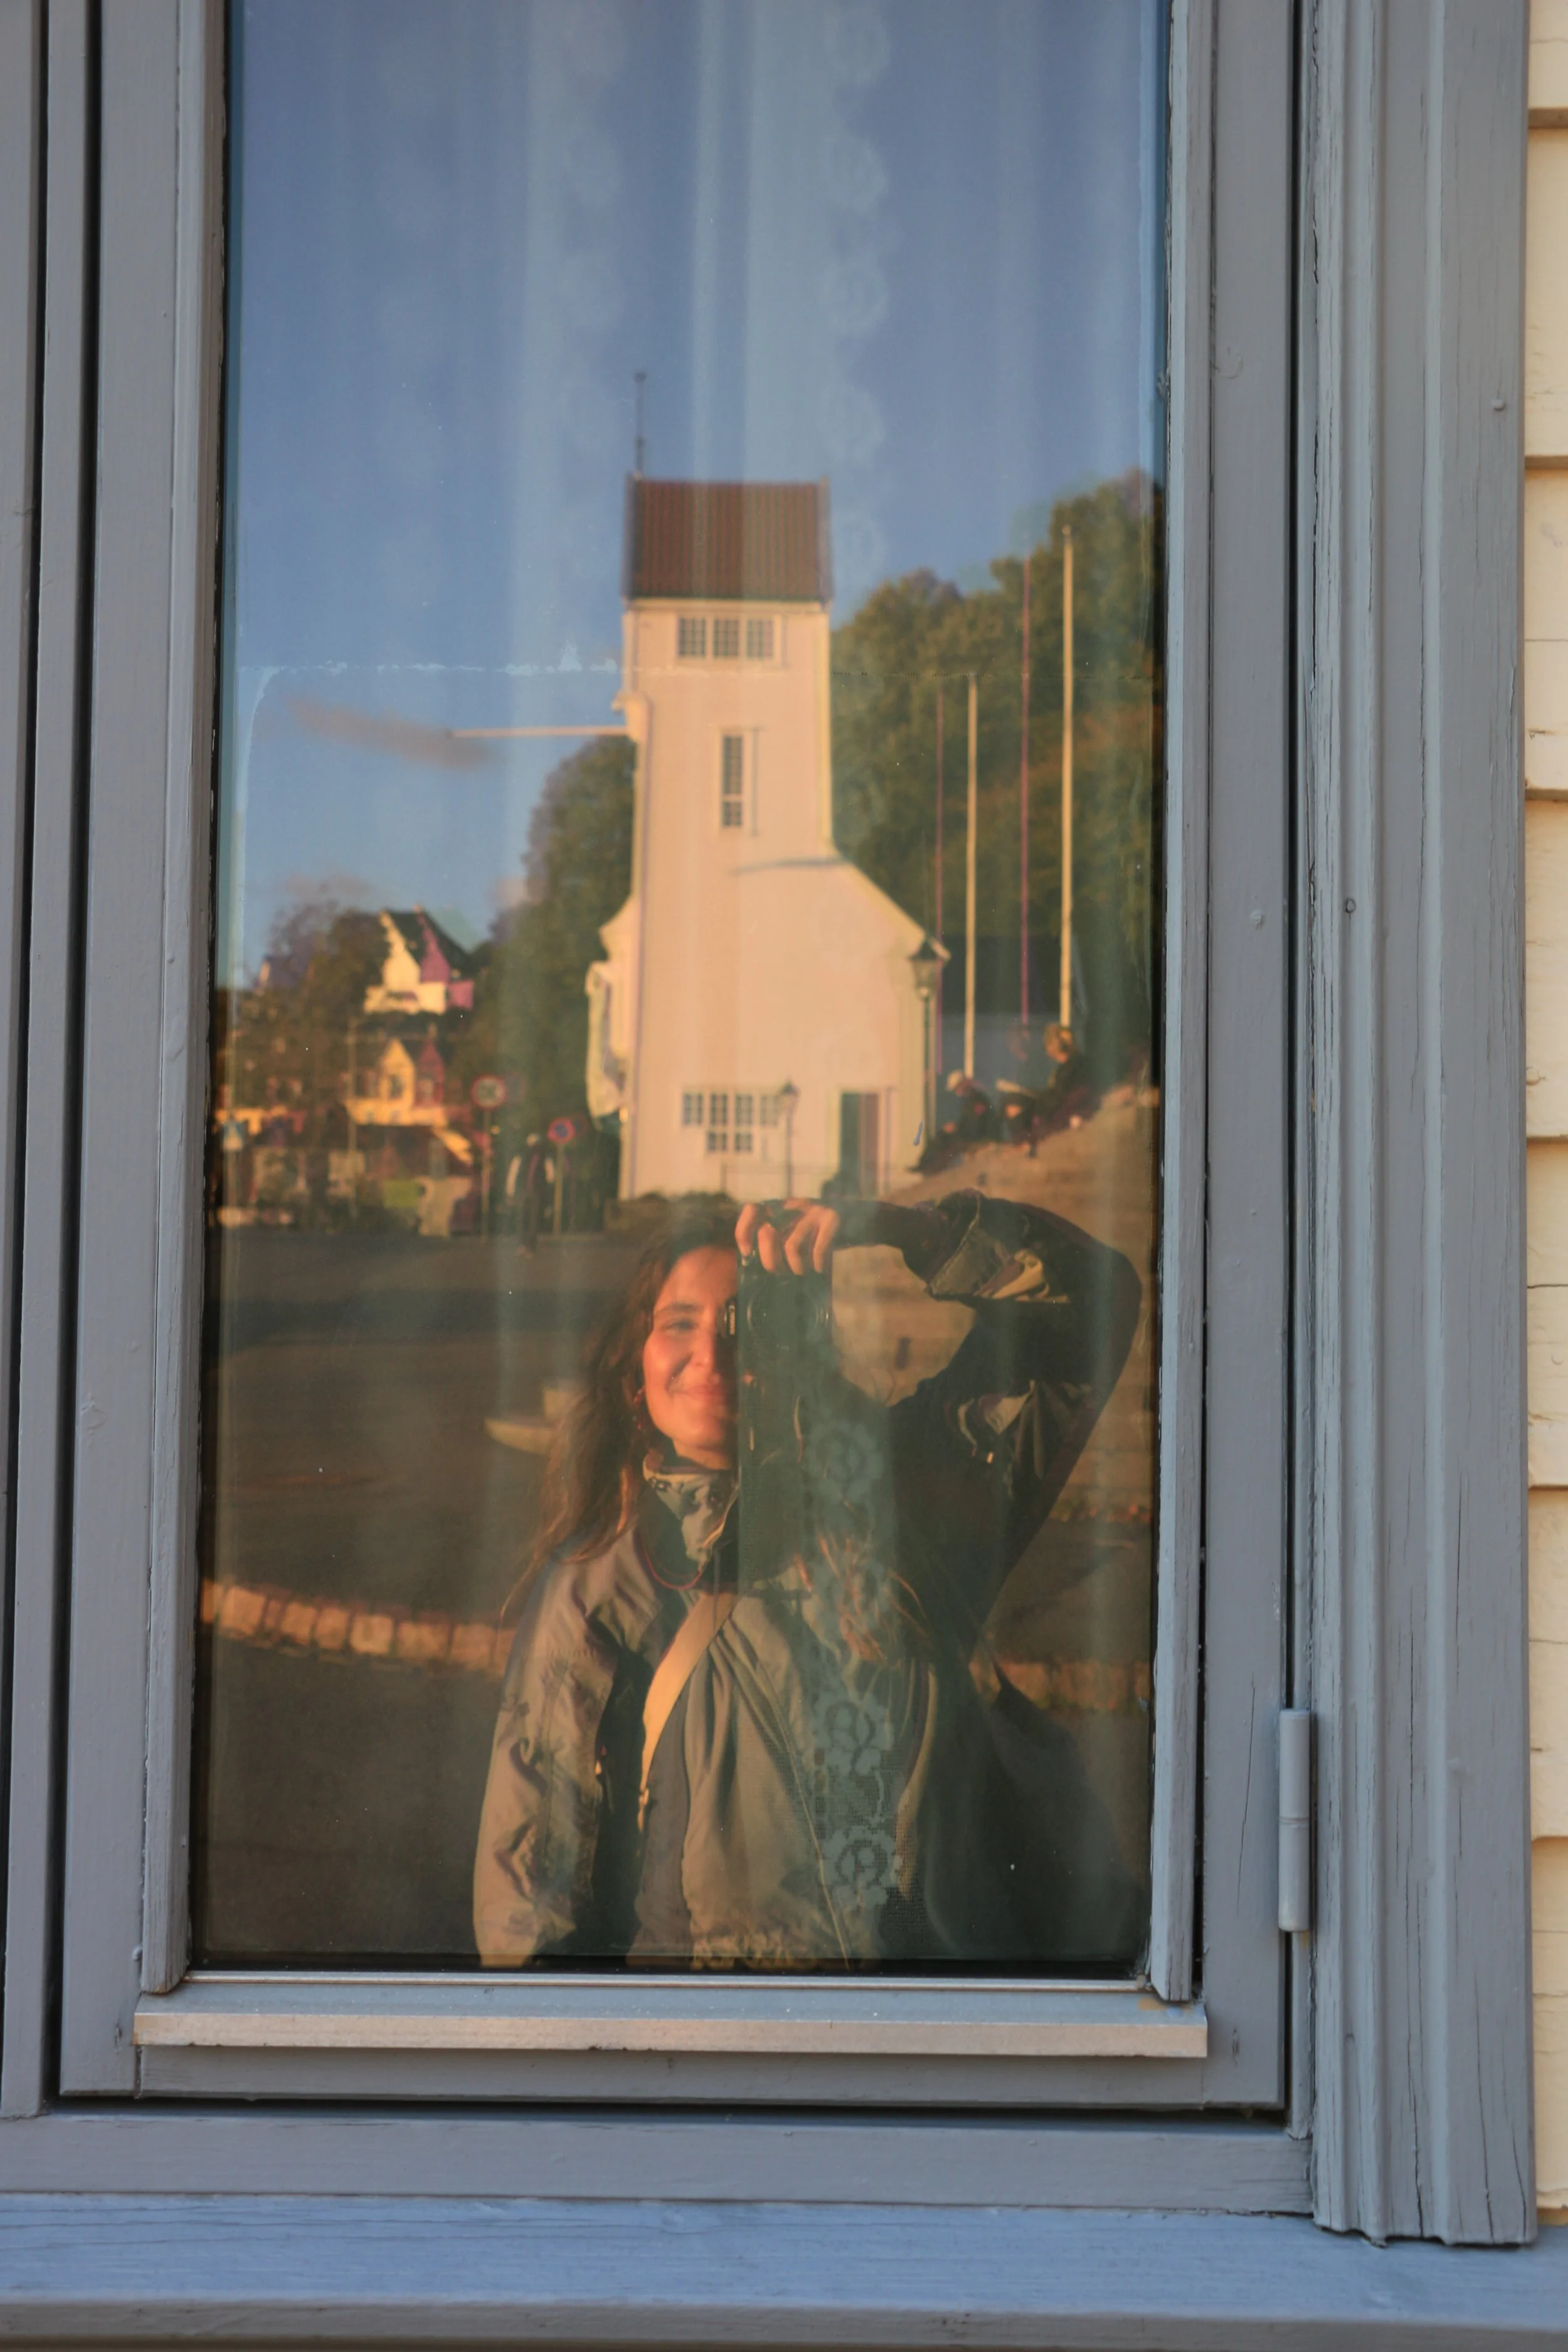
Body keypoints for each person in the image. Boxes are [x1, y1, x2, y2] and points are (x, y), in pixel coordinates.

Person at [474, 1189, 1143, 1971]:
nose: (713, 1355)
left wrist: (905, 1232)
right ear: (636, 1368)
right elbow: (529, 1901)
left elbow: (1086, 1307)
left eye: (748, 1322)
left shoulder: (901, 1511)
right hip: (725, 2049)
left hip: (945, 2038)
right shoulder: (604, 1592)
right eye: (679, 1323)